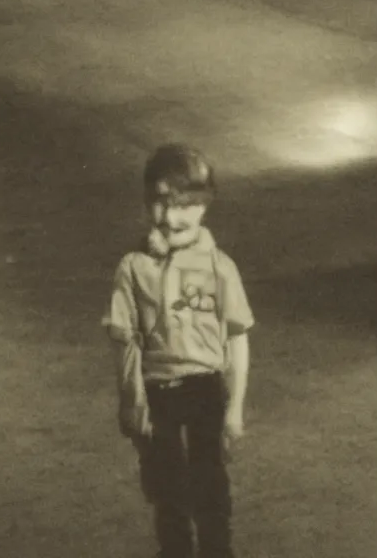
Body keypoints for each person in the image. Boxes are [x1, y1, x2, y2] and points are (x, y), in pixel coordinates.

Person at [104, 144, 254, 558]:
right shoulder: (133, 267)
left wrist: (236, 407)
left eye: (184, 205)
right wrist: (131, 402)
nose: (171, 217)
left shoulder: (219, 267)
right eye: (160, 203)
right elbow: (125, 340)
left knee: (211, 489)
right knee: (167, 491)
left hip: (206, 389)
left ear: (205, 206)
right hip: (157, 395)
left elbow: (237, 338)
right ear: (145, 203)